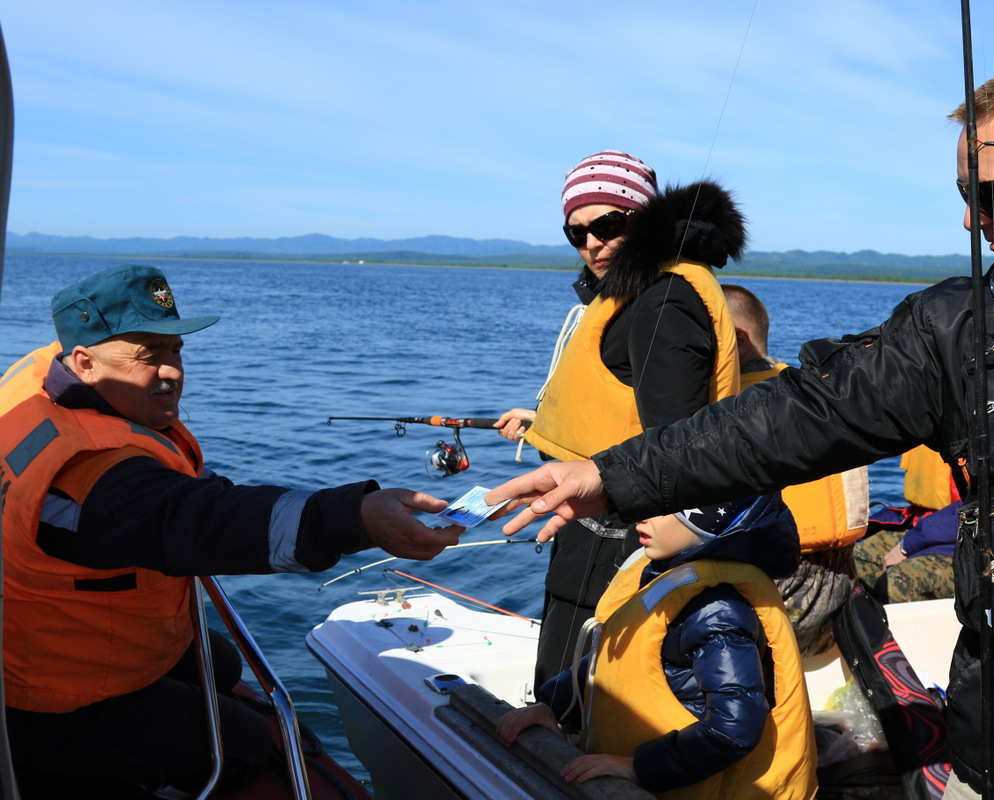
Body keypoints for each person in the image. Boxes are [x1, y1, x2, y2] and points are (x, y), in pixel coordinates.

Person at [487, 53, 994, 800]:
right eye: (963, 195)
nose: (969, 220)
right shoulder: (958, 330)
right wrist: (611, 475)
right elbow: (792, 416)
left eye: (988, 196)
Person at [0, 264, 464, 798]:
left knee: (219, 660)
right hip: (55, 696)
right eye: (149, 357)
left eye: (175, 350)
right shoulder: (90, 478)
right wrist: (354, 518)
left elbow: (176, 501)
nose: (172, 371)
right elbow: (191, 519)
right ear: (84, 362)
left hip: (66, 637)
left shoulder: (46, 386)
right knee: (245, 742)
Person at [496, 150, 744, 691]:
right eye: (576, 233)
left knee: (576, 702)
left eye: (607, 225)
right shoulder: (639, 294)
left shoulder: (662, 302)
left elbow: (677, 443)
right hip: (590, 530)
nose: (592, 243)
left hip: (619, 545)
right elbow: (627, 399)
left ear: (644, 217)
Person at [495, 494, 817, 800]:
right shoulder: (667, 572)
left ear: (710, 521)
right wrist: (552, 705)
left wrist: (636, 768)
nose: (641, 515)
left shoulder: (719, 612)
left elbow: (734, 728)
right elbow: (616, 660)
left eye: (663, 508)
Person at [722, 283, 869, 655]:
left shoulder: (736, 412)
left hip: (783, 612)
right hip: (840, 601)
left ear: (736, 341)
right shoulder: (816, 393)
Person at [853, 445, 959, 603]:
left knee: (897, 582)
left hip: (966, 539)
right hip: (923, 523)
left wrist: (907, 545)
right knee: (856, 561)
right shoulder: (938, 426)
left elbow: (974, 506)